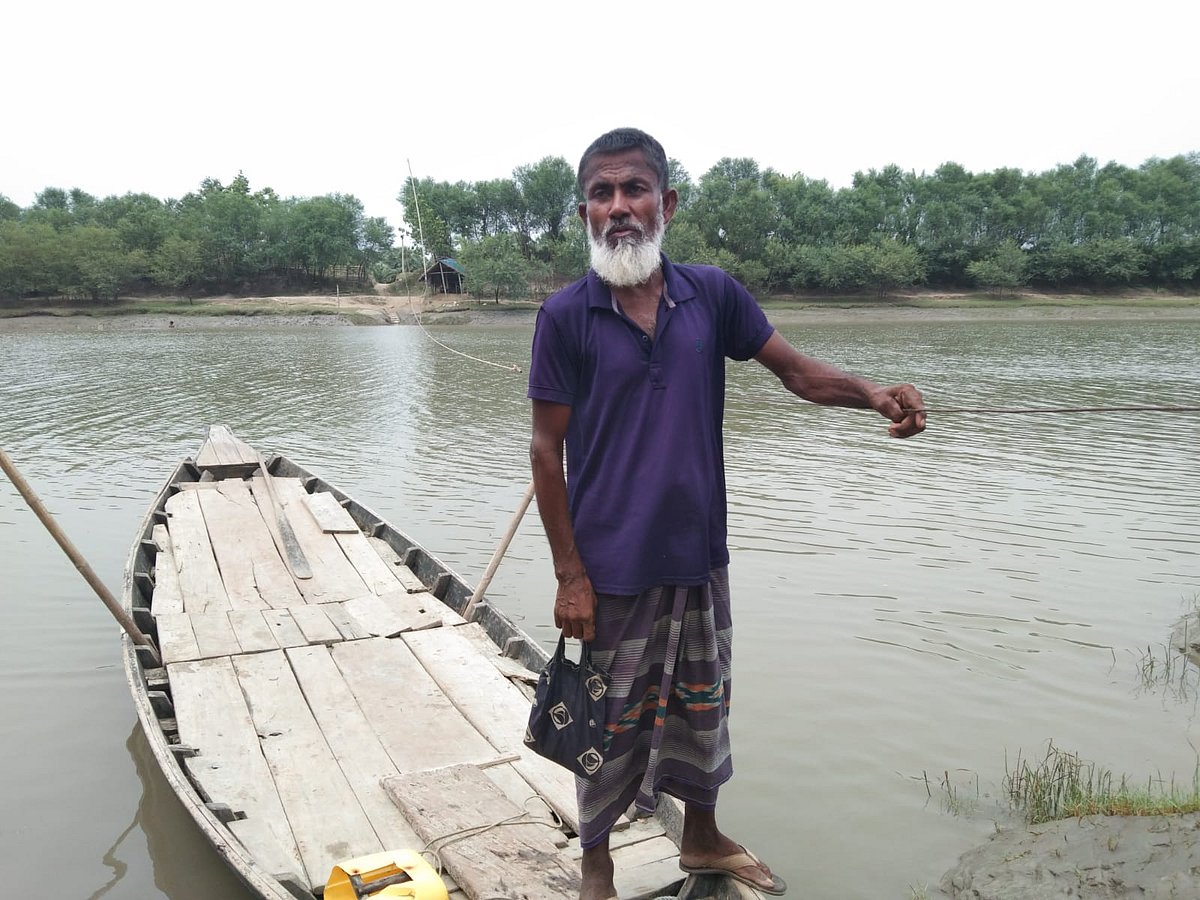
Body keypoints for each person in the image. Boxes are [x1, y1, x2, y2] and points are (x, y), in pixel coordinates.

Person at [527, 127, 926, 900]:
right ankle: (597, 867)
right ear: (584, 212)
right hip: (610, 566)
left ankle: (702, 839)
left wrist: (874, 394)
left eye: (634, 190)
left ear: (666, 203)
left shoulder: (710, 294)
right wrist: (569, 575)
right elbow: (547, 452)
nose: (619, 208)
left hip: (698, 551)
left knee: (703, 704)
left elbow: (798, 375)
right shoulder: (566, 316)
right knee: (604, 730)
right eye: (602, 194)